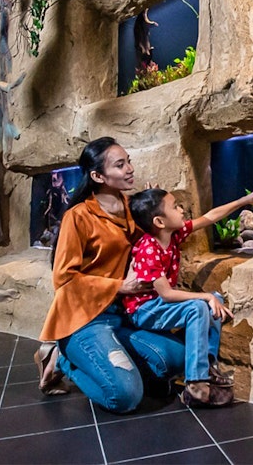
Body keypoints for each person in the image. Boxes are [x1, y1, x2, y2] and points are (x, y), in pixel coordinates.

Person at [35, 136, 187, 413]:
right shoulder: (78, 216)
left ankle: (114, 361)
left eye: (128, 161)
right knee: (125, 396)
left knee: (179, 359)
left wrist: (156, 209)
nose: (129, 168)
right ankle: (64, 360)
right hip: (85, 320)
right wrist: (120, 286)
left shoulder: (133, 209)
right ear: (97, 175)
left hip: (125, 316)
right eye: (120, 165)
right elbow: (64, 278)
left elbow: (154, 242)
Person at [124, 185, 253, 406]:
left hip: (159, 304)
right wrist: (204, 297)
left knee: (216, 299)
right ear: (159, 222)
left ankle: (207, 365)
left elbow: (210, 217)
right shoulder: (148, 250)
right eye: (175, 207)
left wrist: (244, 201)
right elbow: (167, 294)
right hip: (143, 310)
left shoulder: (174, 235)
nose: (181, 210)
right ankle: (196, 385)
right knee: (200, 305)